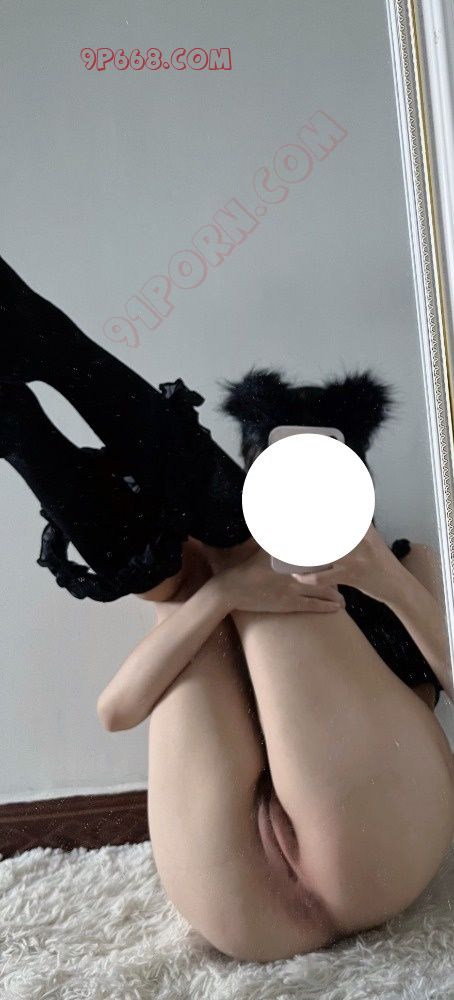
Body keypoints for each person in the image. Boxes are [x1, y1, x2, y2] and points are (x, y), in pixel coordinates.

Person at [97, 370, 454, 963]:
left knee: (222, 571)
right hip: (238, 890)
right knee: (190, 576)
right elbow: (116, 711)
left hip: (373, 844)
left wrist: (387, 581)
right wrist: (221, 594)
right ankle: (37, 423)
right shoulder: (220, 575)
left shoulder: (408, 561)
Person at [0, 255, 249, 600]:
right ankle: (41, 344)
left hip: (183, 591)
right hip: (254, 555)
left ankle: (34, 362)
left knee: (157, 574)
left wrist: (225, 596)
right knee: (231, 523)